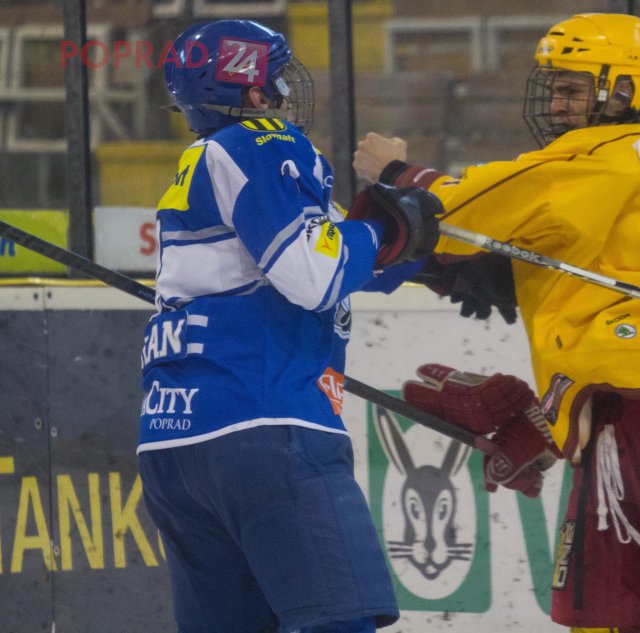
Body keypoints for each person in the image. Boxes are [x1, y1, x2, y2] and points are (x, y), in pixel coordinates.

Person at [353, 13, 640, 633]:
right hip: (616, 411)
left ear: (623, 91)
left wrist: (397, 173)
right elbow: (569, 269)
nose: (556, 103)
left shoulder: (604, 159)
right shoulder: (631, 169)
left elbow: (462, 208)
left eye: (574, 89)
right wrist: (552, 416)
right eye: (555, 88)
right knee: (599, 619)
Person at [140, 19, 441, 633]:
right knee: (338, 624)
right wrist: (388, 227)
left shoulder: (205, 162)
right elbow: (315, 274)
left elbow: (333, 258)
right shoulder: (262, 144)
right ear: (251, 90)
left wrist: (430, 258)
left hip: (173, 448)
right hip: (266, 428)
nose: (282, 92)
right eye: (274, 78)